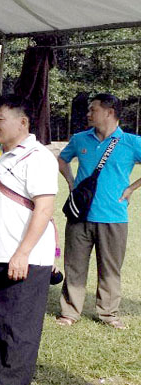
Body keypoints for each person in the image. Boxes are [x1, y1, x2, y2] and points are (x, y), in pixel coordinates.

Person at [0, 94, 59, 385]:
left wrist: (22, 253)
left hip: (26, 256)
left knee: (19, 325)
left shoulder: (37, 158)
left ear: (22, 122)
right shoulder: (1, 158)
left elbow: (44, 208)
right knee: (0, 318)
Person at [56, 93, 141, 329]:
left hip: (114, 216)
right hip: (80, 215)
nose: (88, 113)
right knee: (74, 264)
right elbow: (62, 160)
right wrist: (72, 183)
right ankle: (70, 312)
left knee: (110, 268)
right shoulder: (80, 139)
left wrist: (132, 188)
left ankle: (108, 313)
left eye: (93, 109)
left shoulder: (131, 142)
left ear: (109, 112)